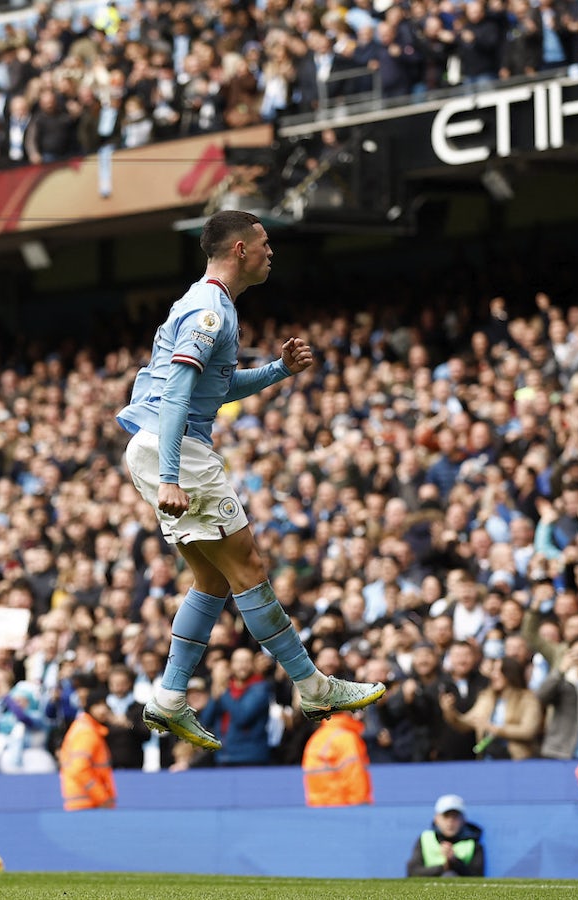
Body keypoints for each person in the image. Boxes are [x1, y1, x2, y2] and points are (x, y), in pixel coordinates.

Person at [116, 209, 385, 750]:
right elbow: (175, 396)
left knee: (213, 581)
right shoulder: (210, 312)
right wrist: (173, 475)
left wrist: (277, 371)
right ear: (240, 250)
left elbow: (211, 389)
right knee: (249, 568)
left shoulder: (207, 304)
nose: (270, 252)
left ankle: (168, 699)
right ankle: (315, 686)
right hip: (177, 452)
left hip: (151, 446)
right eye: (264, 243)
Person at [440, 657, 542, 759]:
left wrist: (496, 729)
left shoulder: (527, 699)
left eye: (498, 671)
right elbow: (464, 724)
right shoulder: (486, 698)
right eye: (493, 670)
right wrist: (449, 711)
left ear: (510, 673)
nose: (493, 675)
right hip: (488, 759)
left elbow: (528, 731)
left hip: (517, 759)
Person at [58, 688, 116, 811]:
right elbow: (80, 769)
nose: (103, 710)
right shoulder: (87, 732)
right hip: (87, 804)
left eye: (105, 705)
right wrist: (102, 797)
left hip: (83, 803)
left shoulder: (85, 728)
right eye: (98, 705)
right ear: (89, 707)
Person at [302, 711, 372, 807]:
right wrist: (361, 807)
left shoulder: (316, 738)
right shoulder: (346, 738)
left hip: (319, 809)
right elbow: (354, 777)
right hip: (343, 809)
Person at [406, 793, 486, 878]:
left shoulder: (473, 844)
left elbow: (477, 876)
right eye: (446, 816)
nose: (450, 822)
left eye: (455, 816)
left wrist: (455, 861)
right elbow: (413, 871)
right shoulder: (425, 839)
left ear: (463, 819)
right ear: (436, 819)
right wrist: (444, 867)